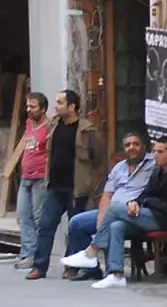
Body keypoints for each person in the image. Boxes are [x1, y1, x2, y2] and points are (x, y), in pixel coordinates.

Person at [61, 136, 167, 289]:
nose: (156, 155)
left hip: (166, 220)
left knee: (115, 209)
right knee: (117, 226)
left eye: (160, 152)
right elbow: (146, 193)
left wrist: (147, 203)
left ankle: (92, 251)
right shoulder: (157, 170)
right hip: (149, 214)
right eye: (154, 151)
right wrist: (135, 203)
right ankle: (116, 274)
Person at [27, 90, 104, 281]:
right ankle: (39, 266)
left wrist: (94, 188)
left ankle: (71, 266)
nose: (56, 106)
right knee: (45, 226)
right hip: (54, 185)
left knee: (74, 227)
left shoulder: (87, 130)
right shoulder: (54, 124)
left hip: (76, 188)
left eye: (60, 103)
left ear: (72, 106)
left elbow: (100, 161)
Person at [63, 131, 155, 283]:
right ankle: (91, 269)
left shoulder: (152, 162)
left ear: (144, 147)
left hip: (133, 214)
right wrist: (101, 220)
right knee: (76, 222)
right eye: (128, 145)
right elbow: (107, 195)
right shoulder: (119, 167)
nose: (132, 148)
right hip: (111, 212)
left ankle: (96, 256)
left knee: (114, 221)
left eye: (136, 144)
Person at [15, 92, 50, 269]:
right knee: (23, 215)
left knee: (38, 217)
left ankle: (37, 255)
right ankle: (27, 253)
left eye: (33, 107)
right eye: (27, 106)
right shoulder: (29, 124)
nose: (28, 110)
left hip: (40, 177)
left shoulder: (49, 126)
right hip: (26, 176)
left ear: (43, 109)